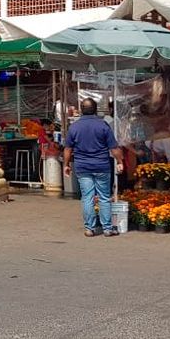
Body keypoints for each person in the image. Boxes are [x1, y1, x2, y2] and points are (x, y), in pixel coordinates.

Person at [63, 98, 124, 237]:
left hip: (82, 167)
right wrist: (120, 161)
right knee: (103, 197)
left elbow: (67, 149)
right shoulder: (103, 125)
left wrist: (66, 165)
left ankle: (89, 229)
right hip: (102, 166)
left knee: (87, 197)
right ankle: (107, 229)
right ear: (96, 109)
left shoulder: (74, 127)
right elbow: (114, 148)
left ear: (81, 110)